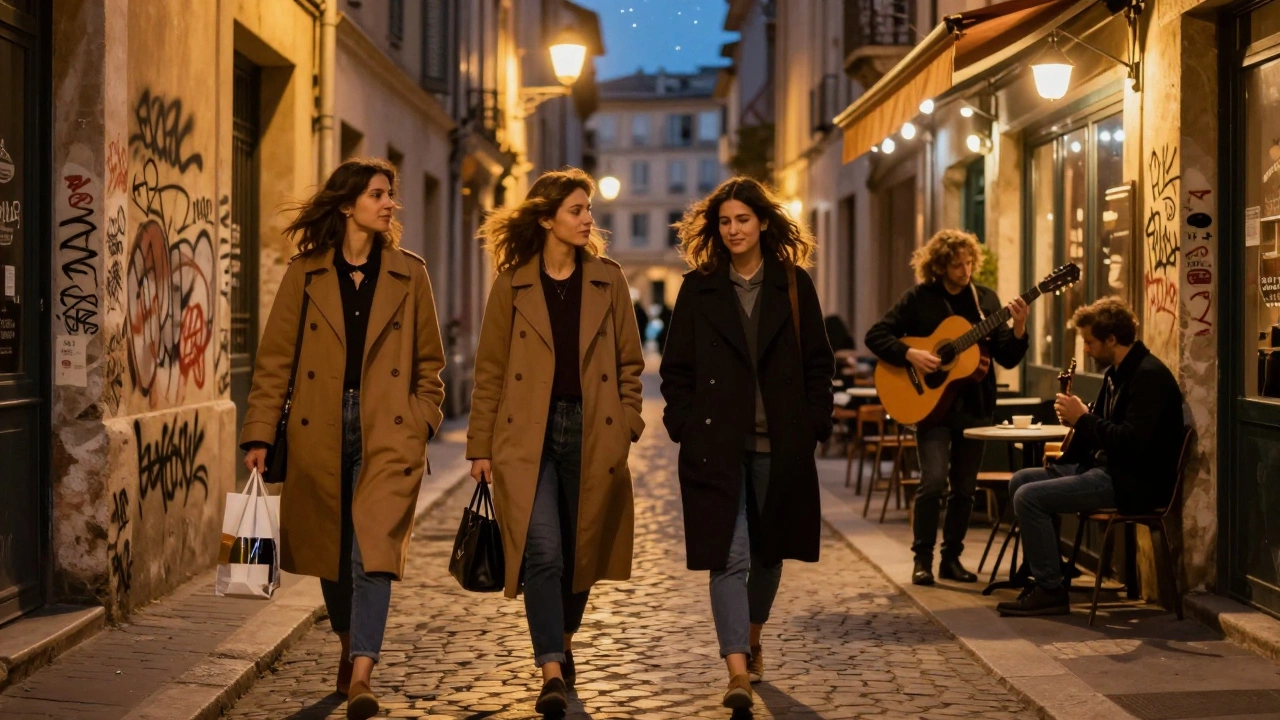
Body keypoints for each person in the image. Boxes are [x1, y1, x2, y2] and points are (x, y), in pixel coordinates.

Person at [240, 158, 445, 720]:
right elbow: (275, 359)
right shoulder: (306, 273)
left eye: (391, 195)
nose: (390, 204)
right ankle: (347, 642)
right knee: (332, 552)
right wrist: (260, 432)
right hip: (319, 428)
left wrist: (422, 418)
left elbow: (431, 364)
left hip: (389, 429)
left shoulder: (410, 273)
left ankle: (362, 673)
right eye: (379, 194)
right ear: (348, 204)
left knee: (371, 551)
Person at [467, 168, 645, 715]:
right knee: (541, 550)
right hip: (527, 435)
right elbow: (491, 369)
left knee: (581, 549)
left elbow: (629, 364)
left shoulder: (608, 280)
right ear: (547, 218)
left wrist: (627, 426)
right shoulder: (513, 284)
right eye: (575, 209)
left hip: (592, 433)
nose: (587, 218)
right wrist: (479, 446)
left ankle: (564, 643)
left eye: (587, 208)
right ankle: (550, 666)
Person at [660, 176, 835, 710]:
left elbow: (817, 365)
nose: (733, 229)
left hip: (780, 443)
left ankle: (753, 636)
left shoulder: (793, 284)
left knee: (769, 555)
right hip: (716, 443)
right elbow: (676, 370)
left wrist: (811, 426)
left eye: (742, 219)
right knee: (726, 556)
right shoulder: (699, 287)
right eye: (724, 221)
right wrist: (685, 424)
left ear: (762, 222)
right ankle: (736, 668)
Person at [998, 298, 1184, 617]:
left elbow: (1131, 443)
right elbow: (1102, 429)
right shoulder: (1116, 373)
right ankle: (1048, 570)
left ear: (1112, 339)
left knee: (1030, 497)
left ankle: (1051, 591)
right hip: (1106, 469)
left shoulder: (1147, 376)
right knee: (1022, 479)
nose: (1085, 349)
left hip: (1131, 480)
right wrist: (1076, 422)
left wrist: (1083, 419)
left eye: (1090, 342)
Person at [865, 229, 1029, 587]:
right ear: (939, 266)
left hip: (975, 407)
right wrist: (910, 353)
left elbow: (1007, 357)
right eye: (957, 264)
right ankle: (921, 559)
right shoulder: (919, 298)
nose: (965, 270)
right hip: (931, 408)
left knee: (965, 489)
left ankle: (950, 559)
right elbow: (875, 335)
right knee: (934, 480)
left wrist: (1018, 326)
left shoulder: (985, 300)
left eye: (970, 263)